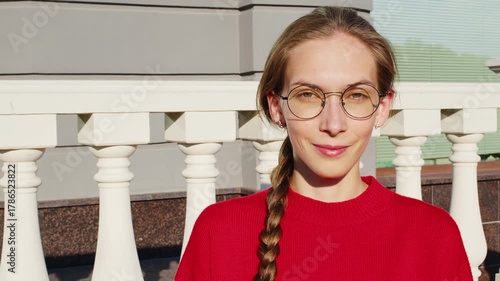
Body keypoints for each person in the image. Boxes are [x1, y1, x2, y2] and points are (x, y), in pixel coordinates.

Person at [175, 6, 473, 281]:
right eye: (308, 95)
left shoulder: (433, 235)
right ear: (276, 106)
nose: (333, 124)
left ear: (382, 107)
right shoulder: (220, 232)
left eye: (357, 95)